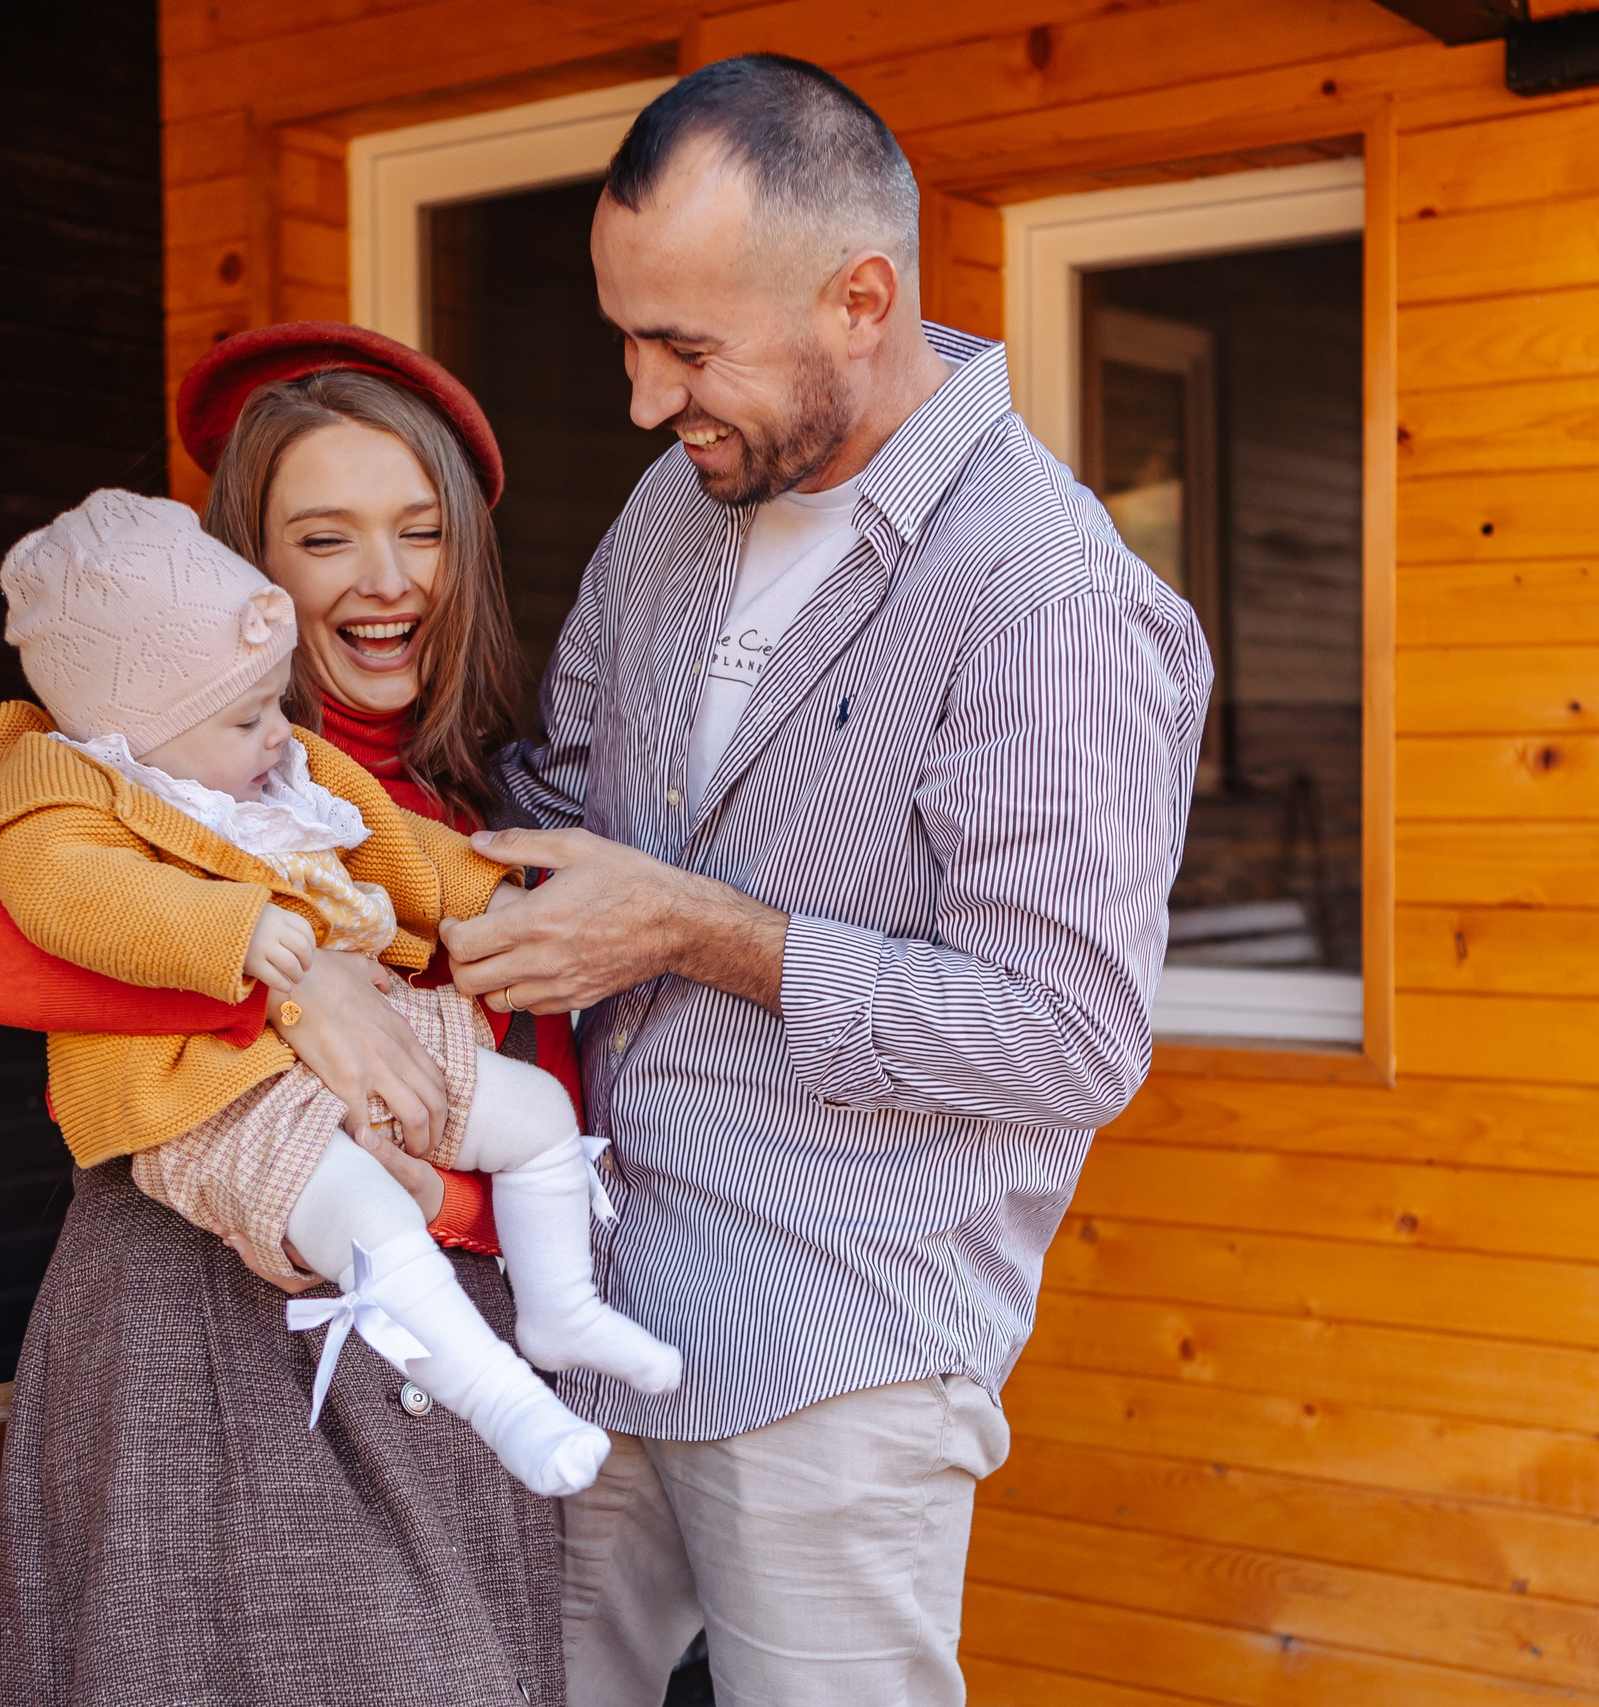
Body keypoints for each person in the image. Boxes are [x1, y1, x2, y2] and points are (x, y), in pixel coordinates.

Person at [437, 56, 1211, 1706]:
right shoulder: (673, 507)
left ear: (863, 297)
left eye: (689, 348)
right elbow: (562, 800)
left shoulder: (1048, 602)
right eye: (626, 340)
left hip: (837, 1346)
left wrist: (696, 930)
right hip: (593, 1293)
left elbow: (1070, 1038)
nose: (645, 399)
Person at [0, 328, 583, 1706]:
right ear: (248, 572)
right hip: (216, 1330)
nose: (386, 580)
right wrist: (286, 974)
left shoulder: (481, 787)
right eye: (325, 537)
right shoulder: (137, 773)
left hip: (451, 1347)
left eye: (422, 531)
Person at [0, 488, 681, 1493]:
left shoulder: (275, 765)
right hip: (211, 1092)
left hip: (376, 1046)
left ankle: (561, 1305)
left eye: (422, 530)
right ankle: (503, 1399)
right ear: (134, 732)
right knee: (365, 1213)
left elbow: (395, 845)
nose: (281, 736)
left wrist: (491, 896)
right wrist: (232, 931)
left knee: (539, 1115)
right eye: (249, 716)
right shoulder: (66, 801)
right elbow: (80, 898)